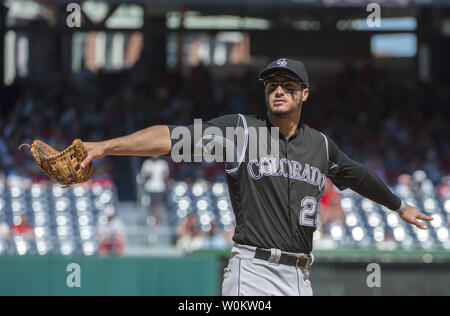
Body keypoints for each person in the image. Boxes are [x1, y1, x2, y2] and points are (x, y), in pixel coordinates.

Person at [80, 58, 433, 296]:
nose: (278, 90)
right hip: (253, 273)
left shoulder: (321, 146)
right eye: (272, 84)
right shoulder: (242, 132)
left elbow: (358, 175)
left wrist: (399, 205)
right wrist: (106, 147)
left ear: (304, 94)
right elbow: (171, 137)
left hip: (300, 277)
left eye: (288, 85)